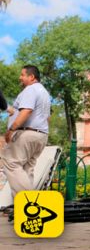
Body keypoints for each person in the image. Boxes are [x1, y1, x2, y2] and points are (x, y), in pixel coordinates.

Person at [1, 65, 50, 199]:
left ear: (31, 77)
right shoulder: (44, 92)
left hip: (27, 134)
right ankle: (23, 210)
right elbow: (48, 118)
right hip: (41, 135)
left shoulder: (30, 90)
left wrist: (11, 130)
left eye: (22, 75)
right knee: (27, 168)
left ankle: (30, 201)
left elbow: (26, 111)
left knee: (11, 163)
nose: (20, 78)